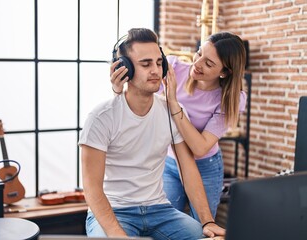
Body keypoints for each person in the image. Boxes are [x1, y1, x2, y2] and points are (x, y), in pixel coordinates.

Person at [79, 28, 225, 239]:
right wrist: (116, 233)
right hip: (116, 211)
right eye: (146, 64)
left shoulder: (171, 112)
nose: (156, 70)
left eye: (159, 63)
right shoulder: (101, 117)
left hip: (160, 210)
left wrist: (207, 220)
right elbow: (91, 188)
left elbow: (188, 169)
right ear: (124, 69)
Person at [111, 31, 247, 221]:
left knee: (202, 226)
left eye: (208, 63)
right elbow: (139, 94)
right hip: (170, 162)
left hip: (205, 166)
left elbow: (199, 147)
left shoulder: (231, 99)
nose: (197, 64)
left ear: (224, 72)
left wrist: (174, 104)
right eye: (199, 53)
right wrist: (119, 89)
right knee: (162, 221)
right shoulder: (174, 68)